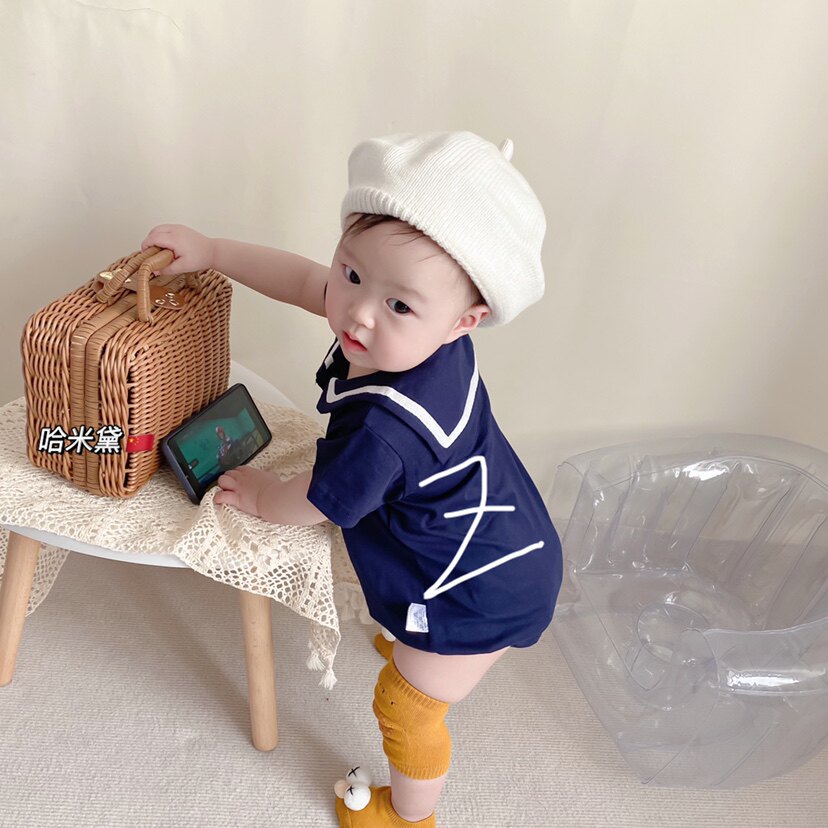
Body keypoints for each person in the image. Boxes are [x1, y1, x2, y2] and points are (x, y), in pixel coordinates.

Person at [141, 131, 563, 828]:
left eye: (399, 305)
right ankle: (413, 643)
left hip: (476, 590)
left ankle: (411, 816)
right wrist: (214, 251)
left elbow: (319, 501)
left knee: (406, 705)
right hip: (500, 531)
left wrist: (261, 493)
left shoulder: (386, 432)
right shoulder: (421, 333)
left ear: (465, 321)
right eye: (352, 273)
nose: (358, 313)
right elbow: (309, 283)